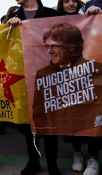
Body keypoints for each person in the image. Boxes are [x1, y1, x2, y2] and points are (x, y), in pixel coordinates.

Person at [7, 0, 61, 175]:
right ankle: (33, 162)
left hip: (50, 77)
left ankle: (53, 165)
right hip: (23, 77)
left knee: (51, 124)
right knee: (29, 124)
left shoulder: (52, 14)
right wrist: (9, 26)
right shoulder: (13, 18)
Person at [34, 23, 102, 175]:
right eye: (47, 47)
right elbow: (39, 106)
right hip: (63, 122)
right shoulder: (43, 73)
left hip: (91, 120)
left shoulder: (96, 69)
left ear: (71, 46)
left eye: (54, 46)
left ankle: (93, 159)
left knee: (93, 117)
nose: (49, 51)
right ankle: (77, 153)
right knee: (69, 121)